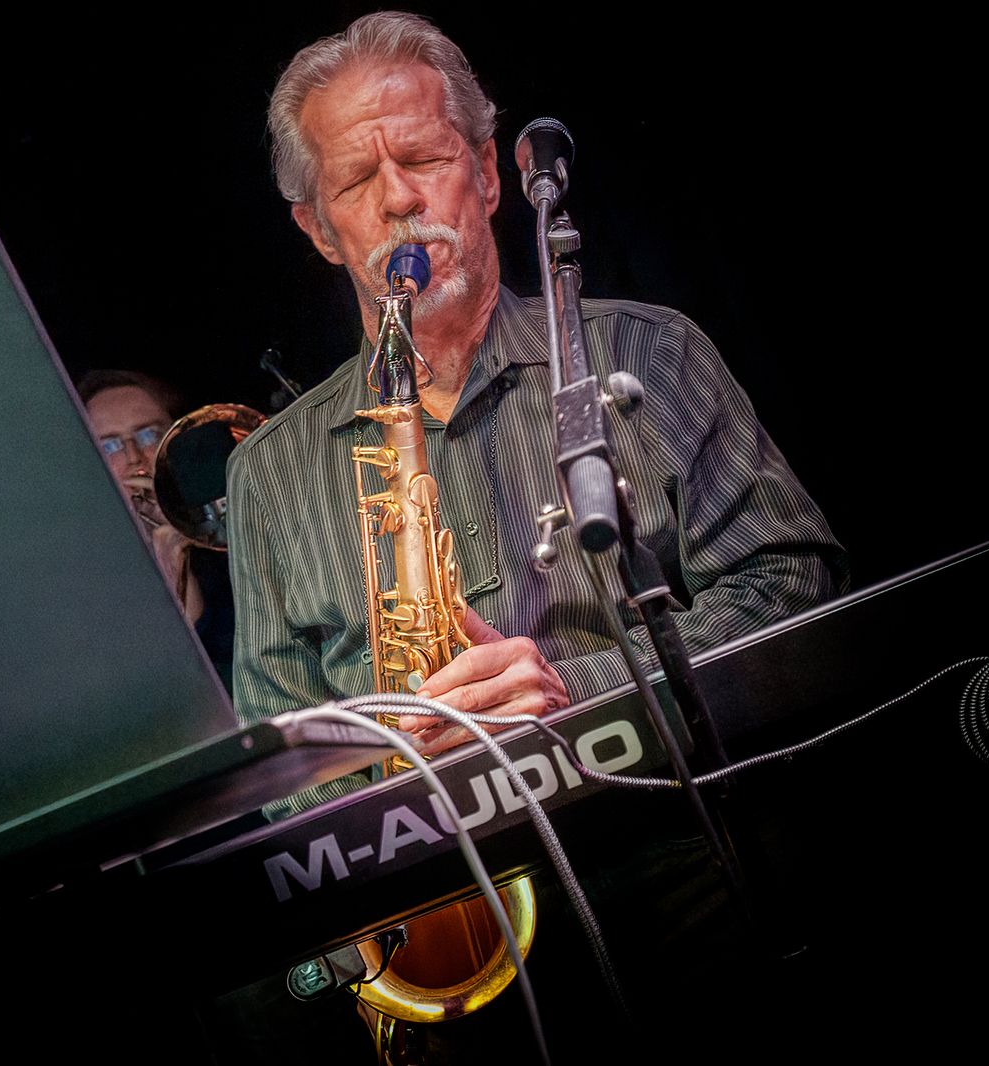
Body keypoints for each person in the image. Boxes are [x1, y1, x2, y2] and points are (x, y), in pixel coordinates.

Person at [226, 11, 849, 816]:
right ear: (318, 228)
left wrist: (579, 692)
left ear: (488, 173)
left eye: (424, 158)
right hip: (448, 877)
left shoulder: (652, 352)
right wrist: (409, 799)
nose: (400, 198)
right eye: (354, 182)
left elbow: (797, 585)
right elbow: (283, 770)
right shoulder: (267, 472)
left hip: (683, 834)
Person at [77, 368, 236, 689]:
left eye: (149, 435)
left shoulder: (230, 541)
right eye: (109, 446)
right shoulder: (79, 574)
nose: (134, 457)